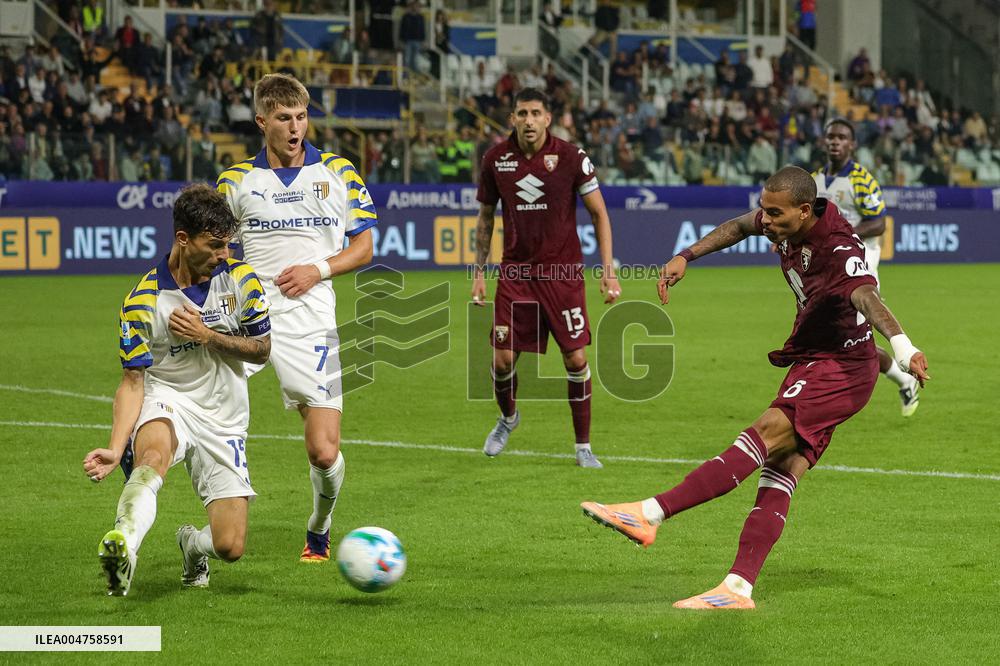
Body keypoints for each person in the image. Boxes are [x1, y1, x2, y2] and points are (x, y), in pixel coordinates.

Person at [582, 166, 930, 609]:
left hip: (840, 368)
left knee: (764, 434)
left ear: (804, 212)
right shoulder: (786, 220)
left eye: (775, 214)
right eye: (764, 210)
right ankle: (737, 588)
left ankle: (649, 513)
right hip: (817, 357)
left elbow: (866, 296)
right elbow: (738, 226)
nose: (765, 221)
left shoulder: (837, 248)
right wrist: (686, 255)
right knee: (781, 472)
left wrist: (904, 347)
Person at [216, 73, 376, 562]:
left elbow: (365, 247)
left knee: (324, 452)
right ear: (262, 121)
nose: (295, 127)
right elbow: (214, 248)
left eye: (301, 117)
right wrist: (238, 284)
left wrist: (317, 269)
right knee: (193, 409)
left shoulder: (339, 172)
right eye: (284, 118)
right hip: (245, 313)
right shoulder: (236, 181)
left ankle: (319, 527)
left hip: (310, 316)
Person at [83, 184, 272, 596]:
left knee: (230, 545)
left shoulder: (242, 280)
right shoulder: (143, 302)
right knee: (153, 454)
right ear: (183, 240)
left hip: (224, 415)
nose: (225, 254)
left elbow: (262, 351)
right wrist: (117, 447)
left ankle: (192, 545)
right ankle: (124, 547)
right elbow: (133, 382)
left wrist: (209, 336)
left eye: (229, 244)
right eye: (216, 245)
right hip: (167, 397)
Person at [471, 87, 622, 468]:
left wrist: (608, 271)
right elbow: (486, 218)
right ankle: (508, 419)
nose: (529, 120)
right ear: (513, 119)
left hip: (562, 275)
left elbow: (599, 214)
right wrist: (478, 273)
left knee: (575, 359)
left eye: (536, 112)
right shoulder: (495, 159)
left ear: (548, 118)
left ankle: (583, 446)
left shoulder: (571, 158)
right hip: (516, 275)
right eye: (521, 113)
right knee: (502, 360)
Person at [813, 118, 920, 415]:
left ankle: (896, 378)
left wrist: (845, 235)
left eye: (842, 137)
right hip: (823, 269)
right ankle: (902, 379)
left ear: (852, 144)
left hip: (859, 264)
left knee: (854, 339)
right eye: (831, 136)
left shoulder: (862, 179)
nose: (835, 141)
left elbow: (878, 223)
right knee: (841, 339)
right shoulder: (813, 181)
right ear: (824, 142)